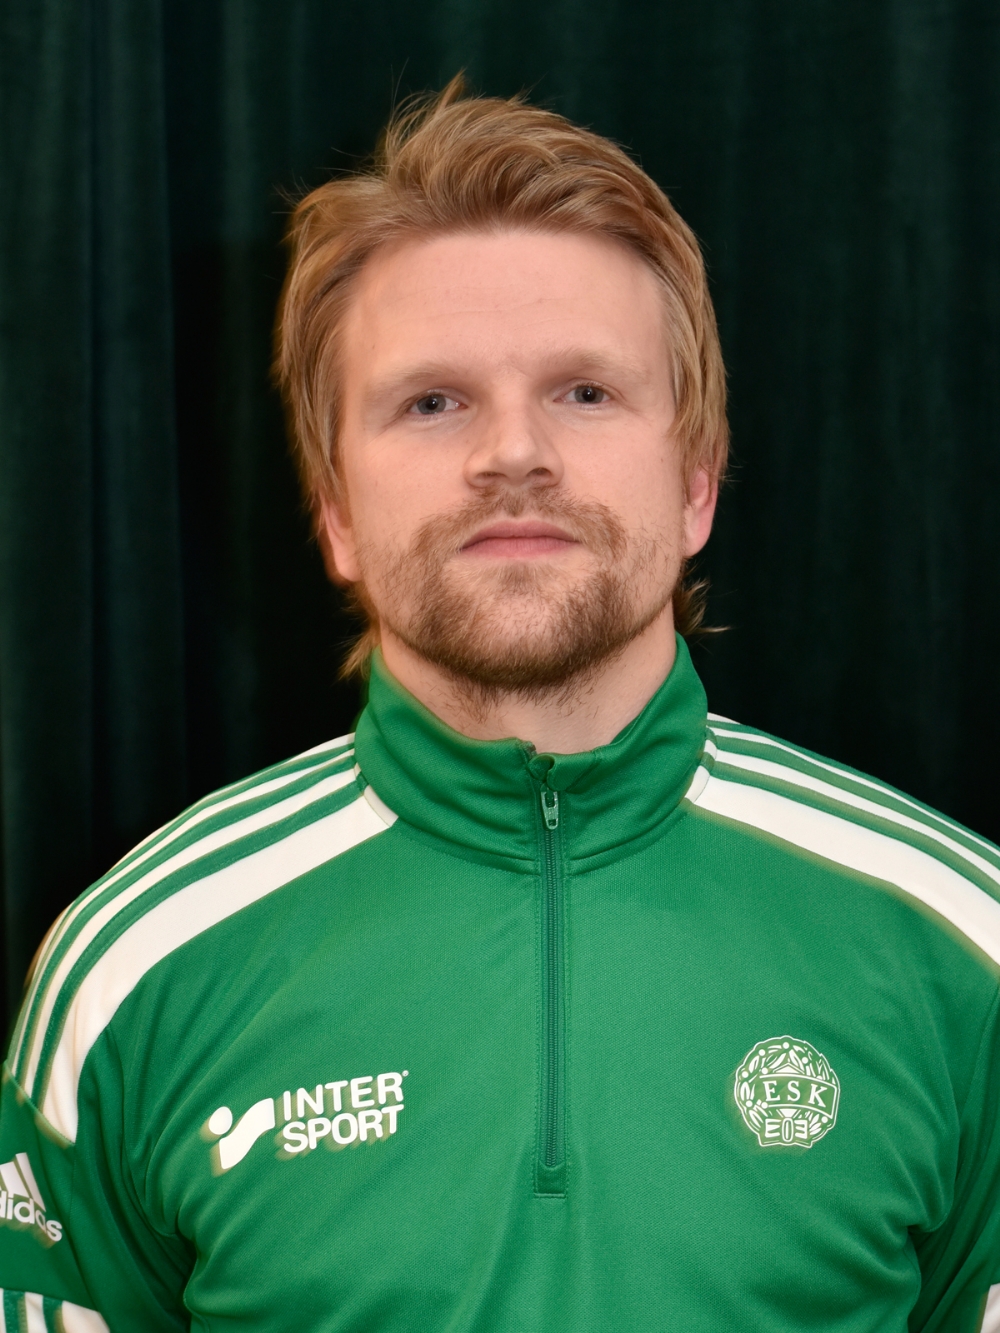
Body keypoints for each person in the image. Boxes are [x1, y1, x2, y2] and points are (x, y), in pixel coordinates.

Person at [1, 78, 999, 1333]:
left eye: (584, 391)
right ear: (333, 511)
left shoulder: (963, 946)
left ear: (696, 483)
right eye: (432, 402)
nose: (512, 453)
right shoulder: (134, 968)